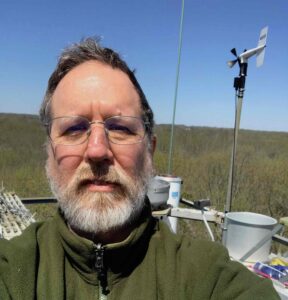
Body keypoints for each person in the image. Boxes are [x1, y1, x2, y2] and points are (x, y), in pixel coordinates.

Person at [0, 37, 279, 300]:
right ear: (48, 153)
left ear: (150, 151)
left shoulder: (207, 278)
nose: (97, 150)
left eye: (120, 128)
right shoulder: (15, 269)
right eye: (73, 129)